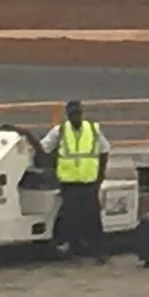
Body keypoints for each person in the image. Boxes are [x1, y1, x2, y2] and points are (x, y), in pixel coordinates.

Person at [46, 99, 111, 262]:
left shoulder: (92, 130)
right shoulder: (59, 131)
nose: (76, 117)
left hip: (89, 182)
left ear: (82, 114)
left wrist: (100, 174)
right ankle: (75, 249)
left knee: (93, 218)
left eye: (78, 113)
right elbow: (45, 148)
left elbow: (105, 150)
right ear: (68, 115)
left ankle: (98, 251)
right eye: (73, 114)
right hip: (69, 183)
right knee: (71, 218)